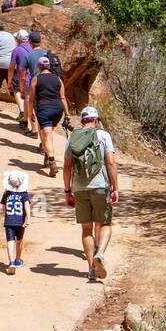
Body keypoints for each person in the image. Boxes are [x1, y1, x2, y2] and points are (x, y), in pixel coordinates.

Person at [63, 106, 119, 283]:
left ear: (82, 121)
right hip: (100, 185)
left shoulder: (73, 137)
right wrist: (115, 187)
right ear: (96, 120)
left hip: (79, 188)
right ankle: (100, 253)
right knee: (105, 223)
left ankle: (91, 269)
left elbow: (66, 166)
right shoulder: (103, 135)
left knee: (86, 228)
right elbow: (110, 163)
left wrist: (67, 191)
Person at [29, 55, 69, 176]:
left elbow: (32, 99)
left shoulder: (36, 79)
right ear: (49, 66)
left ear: (38, 67)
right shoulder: (58, 79)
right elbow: (62, 97)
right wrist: (67, 114)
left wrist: (30, 113)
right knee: (48, 134)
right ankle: (47, 155)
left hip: (44, 109)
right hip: (58, 110)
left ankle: (52, 161)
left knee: (46, 136)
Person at [0, 170, 31, 274]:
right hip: (20, 222)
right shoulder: (24, 194)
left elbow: (3, 209)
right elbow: (27, 206)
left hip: (9, 221)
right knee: (19, 241)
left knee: (10, 241)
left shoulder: (6, 194)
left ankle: (11, 262)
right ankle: (18, 260)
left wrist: (5, 216)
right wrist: (28, 218)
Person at [21, 31, 44, 138]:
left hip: (34, 84)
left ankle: (34, 130)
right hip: (47, 83)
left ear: (30, 42)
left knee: (33, 107)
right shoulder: (47, 53)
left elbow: (22, 76)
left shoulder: (28, 56)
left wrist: (21, 90)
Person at [7, 29, 32, 124]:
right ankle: (30, 123)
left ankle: (26, 121)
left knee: (26, 99)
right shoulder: (33, 47)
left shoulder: (16, 50)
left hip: (25, 78)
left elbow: (11, 68)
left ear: (19, 39)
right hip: (36, 77)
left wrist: (9, 82)